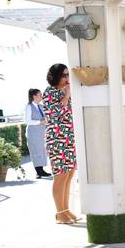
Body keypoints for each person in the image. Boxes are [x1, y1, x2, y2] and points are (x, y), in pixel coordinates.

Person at [43, 63, 80, 225]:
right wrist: (66, 95)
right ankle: (60, 213)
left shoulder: (66, 92)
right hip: (57, 139)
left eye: (67, 75)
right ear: (56, 76)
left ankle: (65, 210)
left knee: (69, 173)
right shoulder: (50, 92)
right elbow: (56, 113)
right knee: (60, 175)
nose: (66, 78)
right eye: (64, 75)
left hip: (69, 138)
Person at [24, 88, 51, 178]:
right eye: (39, 95)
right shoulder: (29, 106)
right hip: (33, 133)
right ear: (34, 96)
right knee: (35, 151)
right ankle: (39, 171)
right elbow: (27, 121)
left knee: (41, 151)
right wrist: (40, 122)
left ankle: (40, 171)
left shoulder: (40, 106)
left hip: (40, 132)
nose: (41, 96)